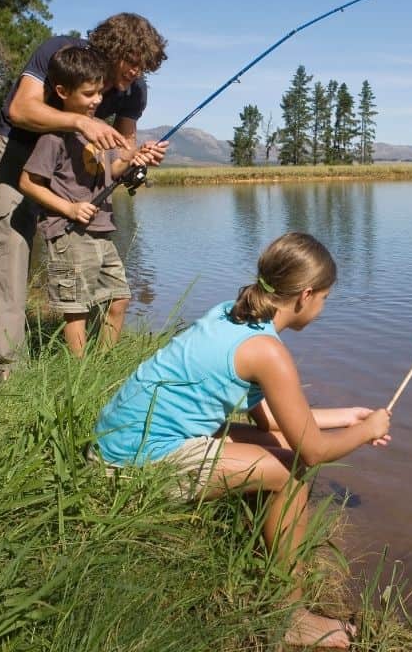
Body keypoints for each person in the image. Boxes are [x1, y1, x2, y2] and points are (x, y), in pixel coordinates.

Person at [93, 232, 391, 649]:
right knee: (291, 471)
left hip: (117, 439)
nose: (322, 308)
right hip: (135, 461)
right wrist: (367, 431)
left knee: (272, 447)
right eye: (325, 298)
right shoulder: (267, 351)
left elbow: (270, 418)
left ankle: (265, 548)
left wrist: (347, 416)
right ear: (305, 295)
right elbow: (314, 451)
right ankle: (291, 616)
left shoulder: (233, 315)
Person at [0, 13, 168, 365]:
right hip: (22, 145)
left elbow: (123, 147)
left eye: (143, 66)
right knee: (13, 242)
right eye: (132, 61)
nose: (136, 72)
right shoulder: (59, 52)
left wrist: (138, 160)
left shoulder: (134, 90)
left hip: (78, 164)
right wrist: (80, 121)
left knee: (89, 251)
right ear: (111, 49)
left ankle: (92, 360)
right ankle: (8, 360)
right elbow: (20, 109)